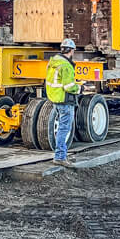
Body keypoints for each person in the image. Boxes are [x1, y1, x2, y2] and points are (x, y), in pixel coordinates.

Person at [45, 38, 81, 167]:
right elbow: (69, 86)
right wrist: (80, 87)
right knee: (64, 128)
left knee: (62, 128)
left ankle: (61, 154)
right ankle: (60, 156)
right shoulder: (66, 65)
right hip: (65, 99)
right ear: (71, 51)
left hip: (56, 98)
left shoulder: (54, 61)